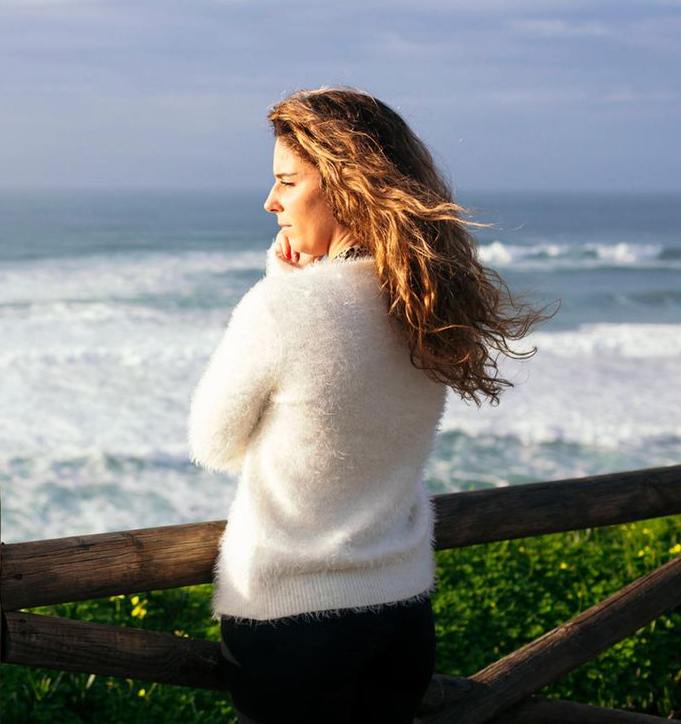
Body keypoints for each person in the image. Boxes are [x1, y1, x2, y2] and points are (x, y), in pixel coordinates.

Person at [187, 86, 557, 723]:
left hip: (294, 622)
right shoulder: (427, 302)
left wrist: (285, 283)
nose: (270, 201)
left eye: (287, 182)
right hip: (402, 618)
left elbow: (213, 442)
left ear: (344, 185)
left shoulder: (283, 307)